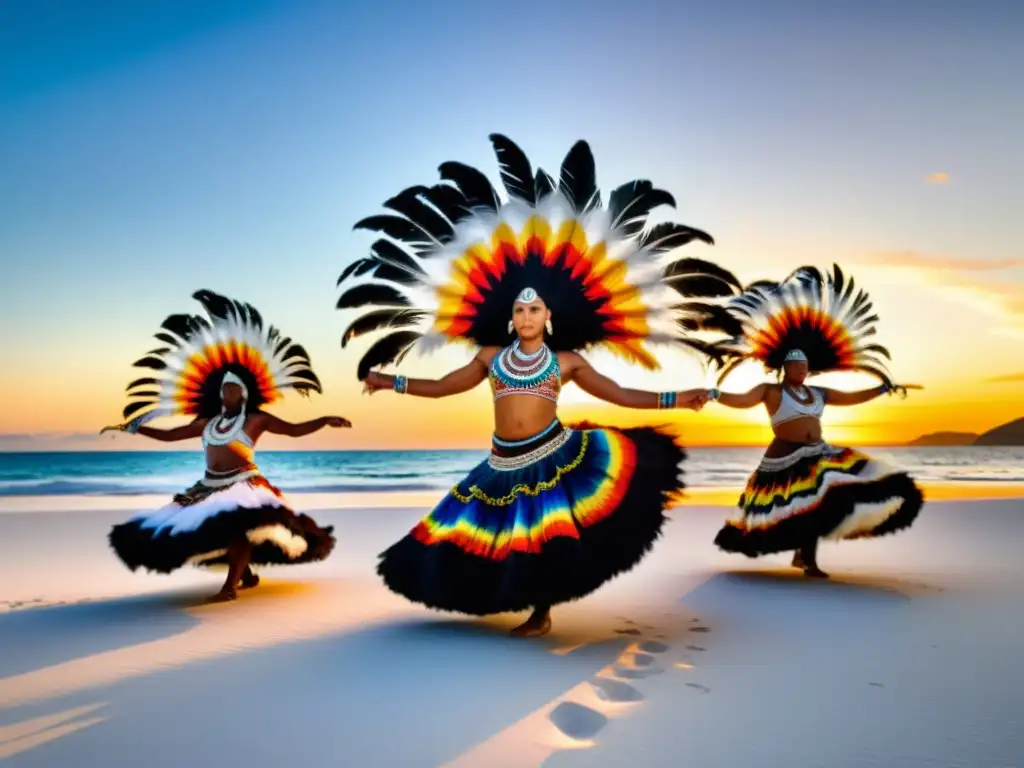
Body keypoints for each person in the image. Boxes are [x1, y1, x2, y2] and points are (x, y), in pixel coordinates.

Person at [340, 134, 733, 636]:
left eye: (535, 310)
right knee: (493, 538)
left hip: (554, 454)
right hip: (502, 459)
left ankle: (541, 613)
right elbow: (442, 386)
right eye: (519, 310)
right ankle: (507, 601)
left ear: (548, 317)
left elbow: (618, 393)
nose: (526, 316)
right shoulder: (490, 357)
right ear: (511, 318)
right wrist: (390, 379)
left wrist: (678, 397)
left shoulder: (565, 360)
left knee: (543, 536)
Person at [102, 289, 350, 601]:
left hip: (243, 484)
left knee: (235, 530)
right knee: (208, 533)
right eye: (222, 390)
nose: (224, 395)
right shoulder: (207, 423)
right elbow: (170, 435)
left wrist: (324, 419)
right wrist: (138, 429)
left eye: (230, 390)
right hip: (207, 486)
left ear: (242, 394)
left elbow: (295, 430)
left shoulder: (255, 420)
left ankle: (230, 587)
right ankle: (245, 575)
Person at [702, 264, 925, 577]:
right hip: (784, 457)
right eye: (798, 366)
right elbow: (741, 401)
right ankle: (803, 557)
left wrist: (881, 388)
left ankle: (806, 557)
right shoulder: (771, 390)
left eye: (806, 366)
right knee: (794, 509)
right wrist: (715, 394)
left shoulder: (818, 392)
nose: (803, 370)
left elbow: (851, 398)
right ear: (786, 368)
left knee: (825, 502)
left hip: (818, 453)